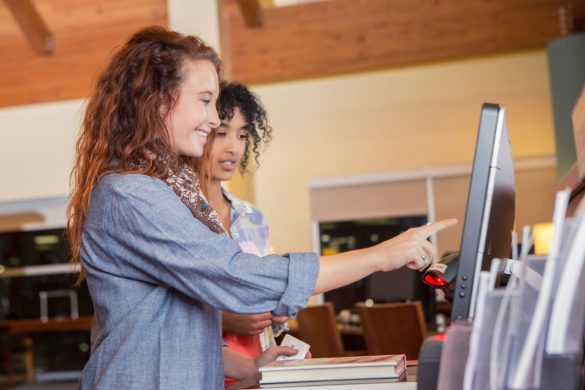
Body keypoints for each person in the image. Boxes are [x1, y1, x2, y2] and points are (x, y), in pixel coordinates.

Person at [67, 26, 456, 390]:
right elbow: (237, 277)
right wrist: (379, 256)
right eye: (205, 101)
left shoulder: (171, 190)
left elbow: (171, 325)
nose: (214, 119)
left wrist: (249, 368)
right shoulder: (130, 194)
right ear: (156, 100)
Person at [194, 81, 287, 388]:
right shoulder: (178, 215)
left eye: (242, 135)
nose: (233, 147)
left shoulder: (252, 217)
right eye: (221, 133)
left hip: (257, 362)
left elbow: (264, 285)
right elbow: (169, 306)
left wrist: (276, 309)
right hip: (201, 366)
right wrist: (227, 319)